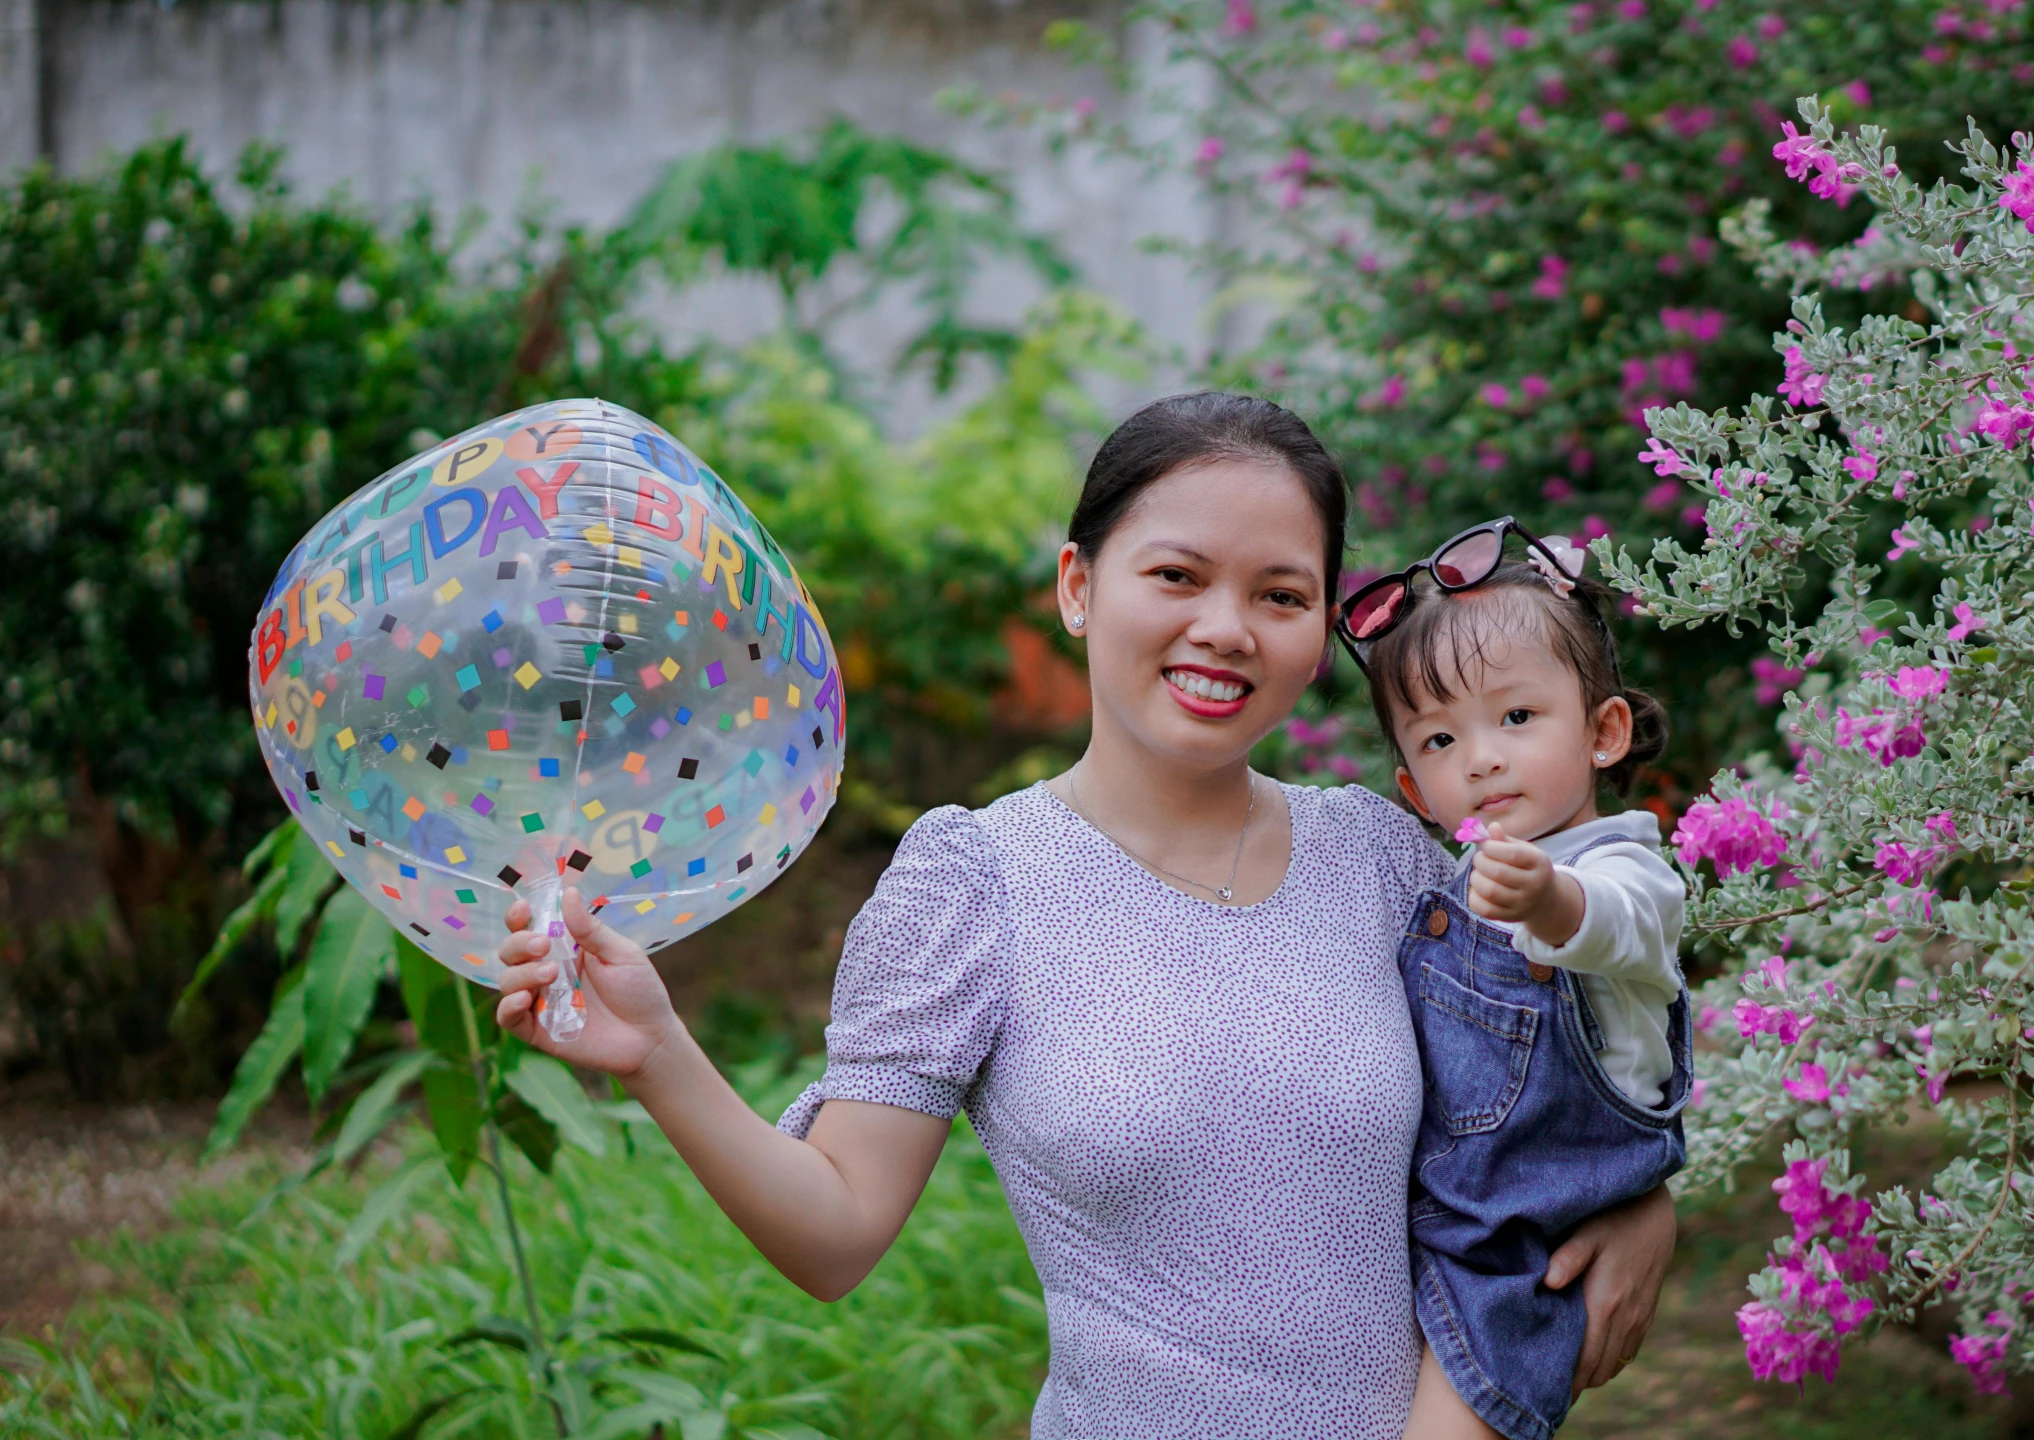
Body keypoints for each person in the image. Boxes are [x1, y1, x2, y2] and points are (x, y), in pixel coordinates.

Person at [485, 393, 1677, 1438]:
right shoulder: (976, 882)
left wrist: (1639, 1199)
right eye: (1176, 575)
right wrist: (658, 1056)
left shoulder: (1381, 857)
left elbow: (1578, 1041)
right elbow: (837, 1235)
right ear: (1077, 587)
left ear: (1320, 636)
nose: (1225, 627)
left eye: (1280, 593)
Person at [1338, 522, 1688, 1440]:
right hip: (1443, 1216)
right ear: (1415, 792)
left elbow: (1615, 925)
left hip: (1529, 1246)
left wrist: (1549, 901)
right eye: (1441, 739)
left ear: (1604, 731)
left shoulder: (1622, 868)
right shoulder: (1445, 886)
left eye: (1516, 718)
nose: (1480, 758)